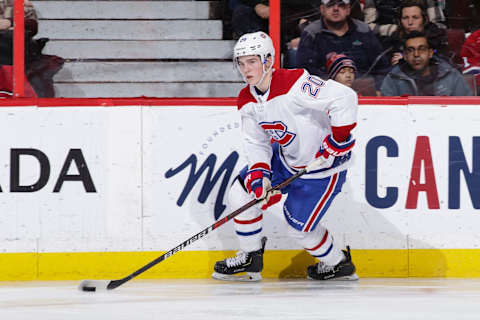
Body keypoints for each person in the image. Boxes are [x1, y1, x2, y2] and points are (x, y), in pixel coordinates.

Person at [212, 31, 359, 282]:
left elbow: (345, 97)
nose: (245, 69)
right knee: (242, 191)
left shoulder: (295, 83)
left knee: (299, 229)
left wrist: (339, 138)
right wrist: (260, 176)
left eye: (252, 61)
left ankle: (338, 263)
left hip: (322, 169)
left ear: (268, 60)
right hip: (287, 161)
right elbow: (256, 141)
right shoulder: (247, 98)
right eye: (241, 62)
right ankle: (250, 256)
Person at [296, 0, 391, 94]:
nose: (336, 9)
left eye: (341, 5)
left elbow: (382, 67)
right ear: (322, 9)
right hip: (325, 94)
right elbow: (305, 72)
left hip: (363, 93)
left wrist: (378, 90)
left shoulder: (363, 30)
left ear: (348, 9)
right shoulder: (311, 32)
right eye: (330, 4)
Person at [380, 31, 472, 96]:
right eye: (411, 50)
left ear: (430, 53)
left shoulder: (451, 76)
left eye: (422, 49)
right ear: (405, 55)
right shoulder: (393, 79)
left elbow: (466, 110)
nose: (416, 54)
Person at [387, 0, 448, 66]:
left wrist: (407, 59)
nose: (410, 22)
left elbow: (442, 61)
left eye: (415, 17)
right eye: (405, 18)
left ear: (424, 19)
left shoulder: (436, 36)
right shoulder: (396, 37)